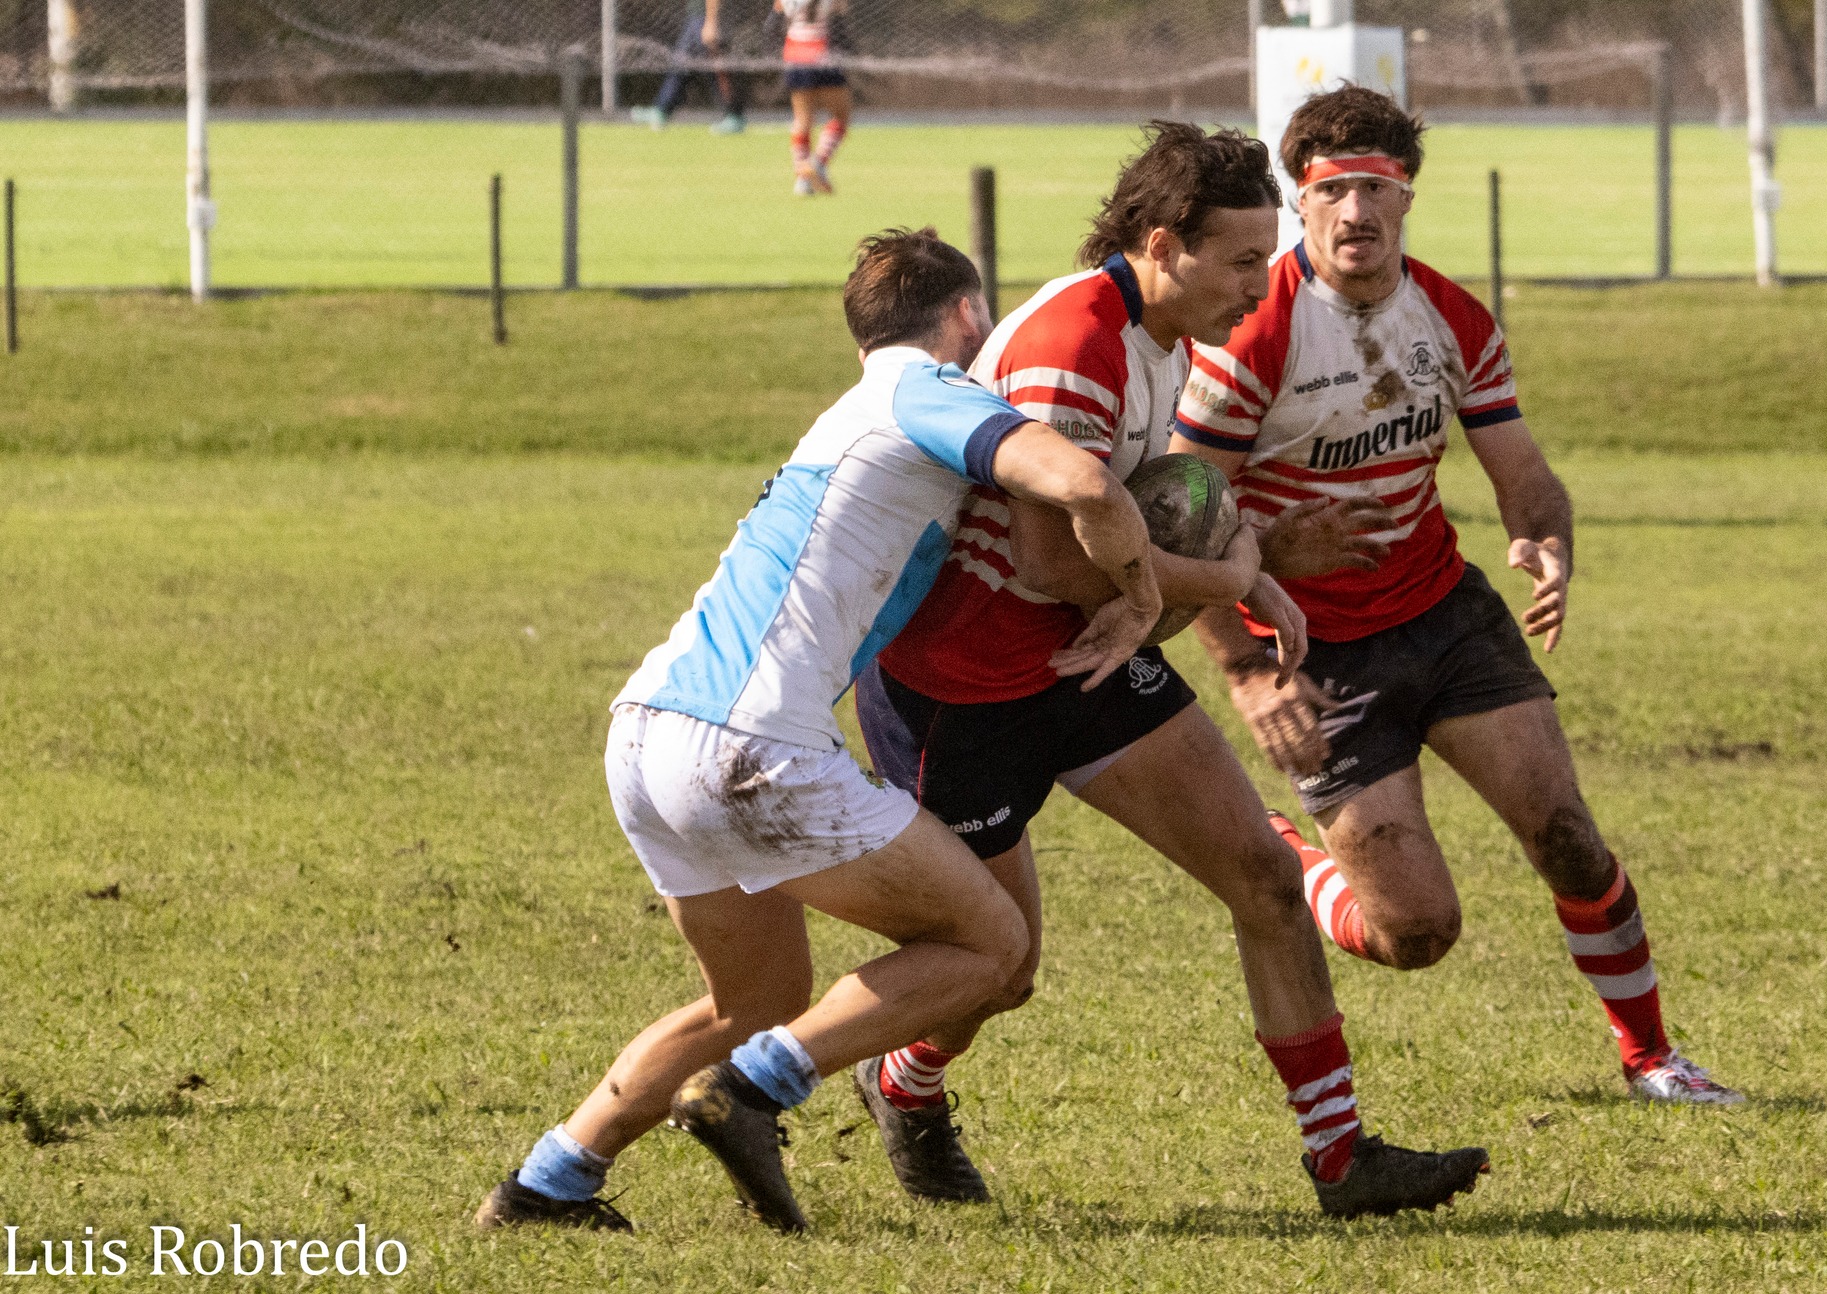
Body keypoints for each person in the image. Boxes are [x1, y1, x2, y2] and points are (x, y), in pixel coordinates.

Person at [853, 123, 1491, 1221]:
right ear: (1162, 244)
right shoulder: (1074, 341)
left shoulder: (1170, 334)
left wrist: (1249, 575)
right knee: (993, 970)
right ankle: (892, 1080)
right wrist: (1223, 575)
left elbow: (1169, 500)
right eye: (1242, 259)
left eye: (1264, 253)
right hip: (965, 690)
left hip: (1088, 662)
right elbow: (1057, 559)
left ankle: (1341, 1160)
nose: (1262, 279)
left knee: (1261, 876)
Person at [475, 228, 1165, 1235]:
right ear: (965, 317)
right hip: (750, 744)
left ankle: (548, 1181)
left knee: (752, 997)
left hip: (644, 734)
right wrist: (1142, 592)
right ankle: (749, 1092)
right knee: (992, 944)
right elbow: (1085, 486)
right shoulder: (924, 388)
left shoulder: (848, 410)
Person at [1170, 84, 1744, 1107]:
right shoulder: (1251, 331)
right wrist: (1251, 671)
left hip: (1444, 616)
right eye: (1333, 189)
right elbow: (1182, 516)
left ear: (1405, 201)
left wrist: (1542, 535)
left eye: (1376, 190)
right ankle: (1295, 854)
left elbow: (1519, 468)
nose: (1356, 212)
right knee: (1413, 934)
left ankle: (1650, 1054)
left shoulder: (1448, 314)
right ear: (1298, 205)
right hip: (1315, 654)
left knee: (1566, 834)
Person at [632, 0, 750, 135]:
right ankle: (661, 109)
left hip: (706, 17)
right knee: (681, 64)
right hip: (696, 17)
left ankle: (734, 115)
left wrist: (711, 22)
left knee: (715, 65)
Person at [775, 0, 851, 195]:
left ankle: (802, 181)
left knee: (802, 119)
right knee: (841, 116)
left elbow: (778, 12)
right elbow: (841, 9)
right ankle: (817, 163)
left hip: (794, 52)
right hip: (820, 52)